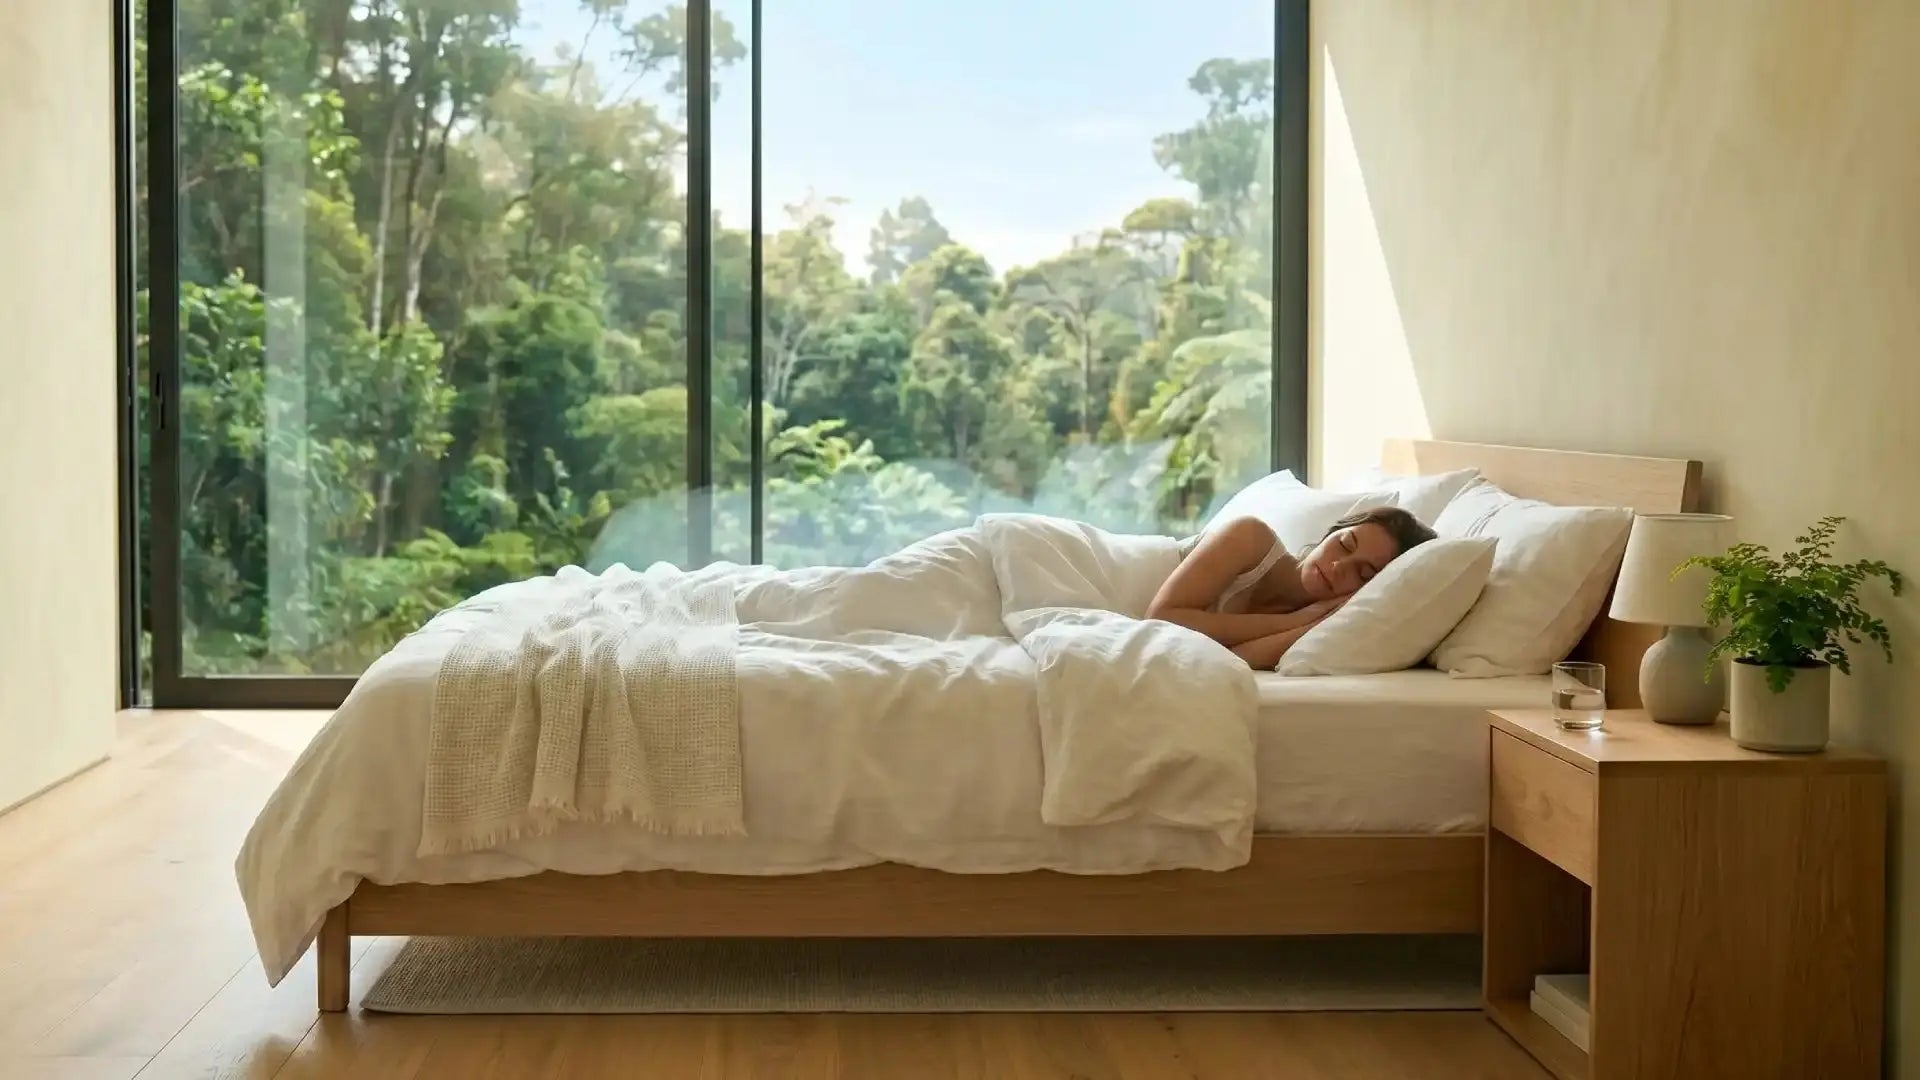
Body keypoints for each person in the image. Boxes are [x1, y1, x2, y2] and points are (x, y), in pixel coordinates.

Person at [1146, 507, 1437, 669]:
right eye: (1345, 544)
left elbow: (1235, 660)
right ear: (1332, 532)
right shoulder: (1250, 537)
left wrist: (1311, 623)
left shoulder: (1324, 625)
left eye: (1362, 574)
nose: (1338, 566)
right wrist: (1294, 620)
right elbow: (1162, 618)